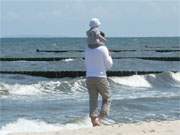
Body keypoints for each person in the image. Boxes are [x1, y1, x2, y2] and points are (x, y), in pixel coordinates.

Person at [85, 18, 113, 126]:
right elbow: (109, 65)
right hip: (100, 77)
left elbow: (86, 64)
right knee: (107, 97)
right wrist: (110, 56)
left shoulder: (87, 48)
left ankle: (93, 120)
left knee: (93, 100)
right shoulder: (103, 49)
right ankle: (100, 118)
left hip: (89, 77)